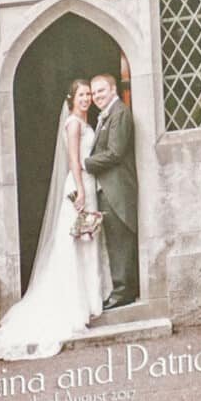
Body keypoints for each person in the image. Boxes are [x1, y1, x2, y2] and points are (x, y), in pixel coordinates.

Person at [0, 79, 111, 361]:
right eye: (82, 95)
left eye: (89, 94)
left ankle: (89, 300)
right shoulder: (74, 124)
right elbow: (74, 159)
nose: (87, 99)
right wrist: (80, 192)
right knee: (75, 243)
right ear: (72, 98)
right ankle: (74, 304)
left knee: (86, 241)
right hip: (80, 186)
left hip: (88, 184)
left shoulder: (84, 121)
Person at [83, 73, 139, 309]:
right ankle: (121, 288)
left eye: (101, 91)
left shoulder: (120, 113)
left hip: (117, 187)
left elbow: (116, 152)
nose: (97, 97)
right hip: (106, 187)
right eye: (94, 93)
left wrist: (86, 163)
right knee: (115, 239)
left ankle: (123, 292)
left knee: (120, 239)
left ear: (113, 90)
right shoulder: (106, 115)